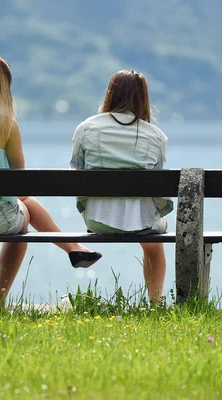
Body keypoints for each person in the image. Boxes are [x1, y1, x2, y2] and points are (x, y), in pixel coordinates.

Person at [0, 52, 102, 310]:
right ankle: (0, 303)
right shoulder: (6, 124)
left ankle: (74, 249)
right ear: (3, 87)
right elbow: (19, 182)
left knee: (24, 206)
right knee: (26, 212)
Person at [70, 69, 173, 305]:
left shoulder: (86, 128)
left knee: (140, 219)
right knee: (154, 239)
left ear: (110, 94)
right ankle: (156, 303)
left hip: (98, 221)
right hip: (143, 225)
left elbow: (76, 172)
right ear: (143, 98)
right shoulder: (156, 136)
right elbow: (157, 186)